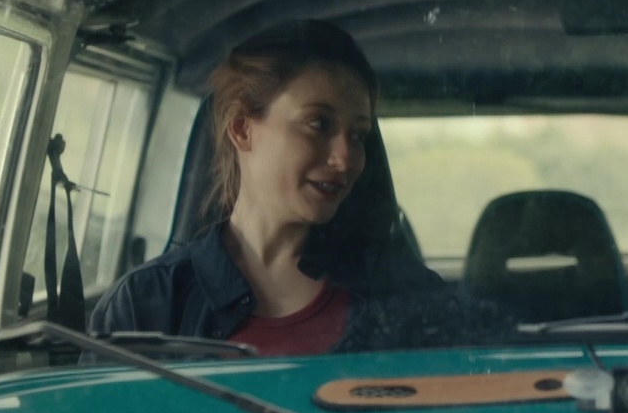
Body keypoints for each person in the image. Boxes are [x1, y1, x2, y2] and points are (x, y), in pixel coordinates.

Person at [89, 20, 504, 356]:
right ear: (242, 129)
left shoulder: (411, 300)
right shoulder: (144, 306)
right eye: (318, 124)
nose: (345, 158)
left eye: (358, 135)